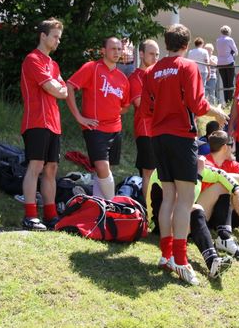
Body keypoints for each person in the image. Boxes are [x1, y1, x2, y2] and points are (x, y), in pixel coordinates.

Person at [140, 23, 228, 285]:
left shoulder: (151, 71)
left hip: (158, 137)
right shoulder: (188, 66)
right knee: (185, 199)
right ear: (186, 45)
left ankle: (166, 255)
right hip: (181, 137)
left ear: (166, 43)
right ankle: (180, 259)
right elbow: (197, 104)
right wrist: (217, 112)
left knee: (169, 196)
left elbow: (145, 110)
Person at [148, 160, 239, 282]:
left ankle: (224, 238)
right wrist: (197, 175)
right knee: (195, 208)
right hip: (161, 226)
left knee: (223, 186)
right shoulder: (168, 167)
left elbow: (221, 174)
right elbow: (181, 203)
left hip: (182, 220)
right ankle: (212, 260)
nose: (199, 156)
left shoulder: (194, 165)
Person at [66, 36, 130, 200]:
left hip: (115, 129)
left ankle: (99, 206)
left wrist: (111, 111)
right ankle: (113, 204)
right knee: (102, 167)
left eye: (119, 49)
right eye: (113, 48)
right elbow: (69, 86)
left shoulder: (122, 78)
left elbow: (125, 106)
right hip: (95, 128)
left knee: (104, 171)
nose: (116, 52)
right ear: (103, 51)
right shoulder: (92, 68)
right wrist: (79, 117)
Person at [20, 18, 68, 231]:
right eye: (55, 37)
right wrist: (56, 87)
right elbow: (54, 89)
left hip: (54, 123)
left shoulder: (54, 65)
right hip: (36, 121)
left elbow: (64, 92)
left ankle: (50, 215)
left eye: (59, 37)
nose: (58, 41)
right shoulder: (32, 59)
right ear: (43, 36)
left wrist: (57, 87)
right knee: (36, 166)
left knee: (51, 169)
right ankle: (30, 216)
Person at [128, 39, 160, 200]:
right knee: (149, 172)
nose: (155, 58)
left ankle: (158, 207)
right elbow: (140, 104)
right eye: (151, 54)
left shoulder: (158, 76)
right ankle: (149, 209)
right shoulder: (135, 77)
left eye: (157, 54)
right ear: (141, 54)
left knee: (162, 173)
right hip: (146, 130)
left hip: (161, 130)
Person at [216, 25, 238, 103]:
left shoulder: (218, 40)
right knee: (230, 83)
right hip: (229, 62)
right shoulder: (230, 39)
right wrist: (232, 53)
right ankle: (230, 102)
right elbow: (236, 51)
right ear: (229, 32)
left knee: (225, 83)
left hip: (220, 63)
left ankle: (226, 101)